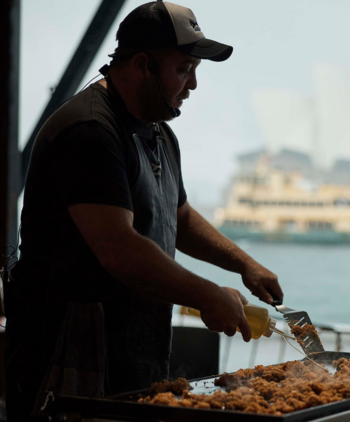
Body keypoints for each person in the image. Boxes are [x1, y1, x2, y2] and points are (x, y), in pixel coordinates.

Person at [3, 1, 282, 420]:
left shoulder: (159, 134)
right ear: (142, 64)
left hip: (133, 350)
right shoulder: (91, 132)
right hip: (70, 354)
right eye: (184, 69)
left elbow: (180, 217)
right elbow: (120, 249)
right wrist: (207, 293)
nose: (192, 85)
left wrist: (243, 264)